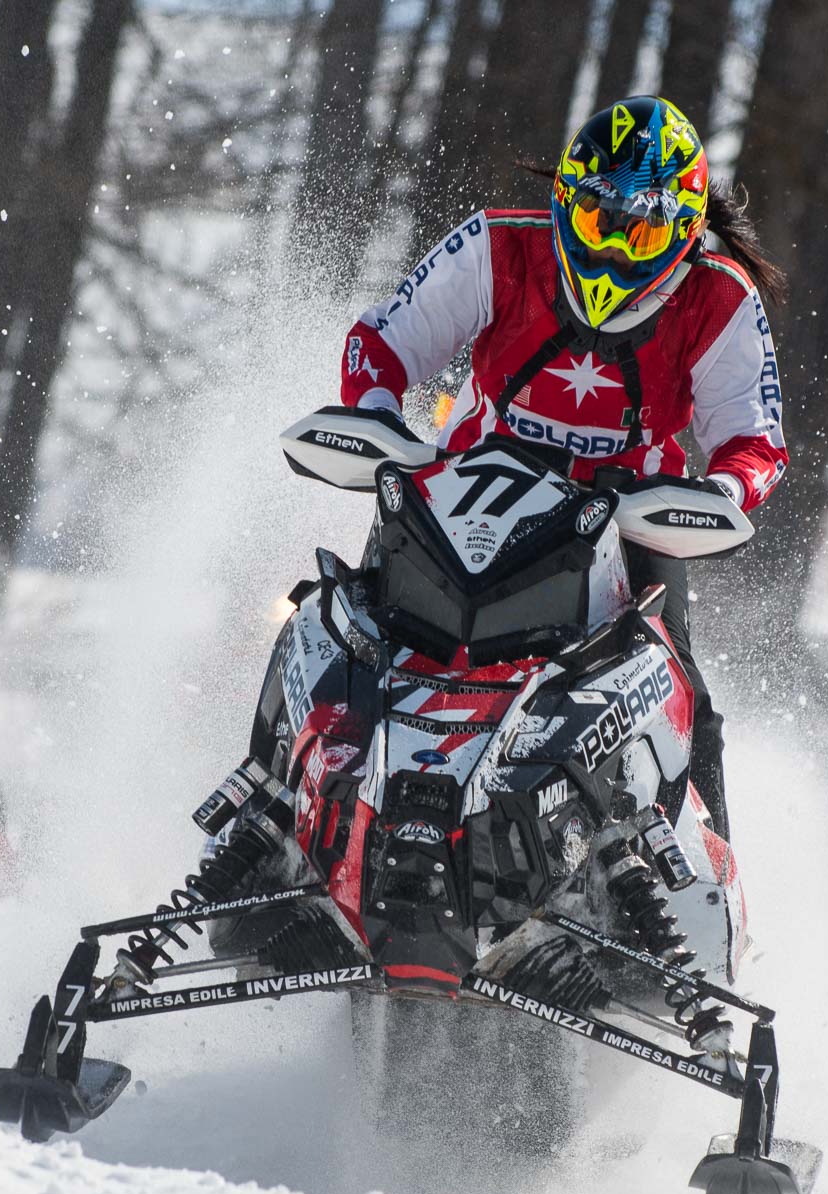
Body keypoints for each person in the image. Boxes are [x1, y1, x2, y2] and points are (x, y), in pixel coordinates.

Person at [336, 96, 787, 844]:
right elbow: (383, 339)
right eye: (596, 216)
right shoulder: (499, 246)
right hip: (462, 493)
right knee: (342, 633)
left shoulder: (719, 297)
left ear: (681, 229)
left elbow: (755, 437)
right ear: (565, 200)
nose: (611, 246)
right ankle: (274, 813)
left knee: (686, 702)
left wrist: (719, 491)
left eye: (639, 228)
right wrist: (379, 413)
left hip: (627, 522)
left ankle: (701, 891)